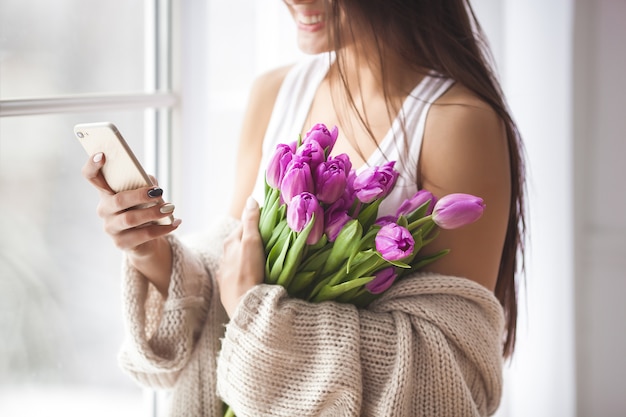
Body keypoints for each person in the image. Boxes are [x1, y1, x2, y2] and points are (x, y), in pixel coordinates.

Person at [81, 0, 525, 416]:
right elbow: (232, 270)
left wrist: (259, 314)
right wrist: (151, 252)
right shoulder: (275, 92)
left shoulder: (457, 121)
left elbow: (449, 367)